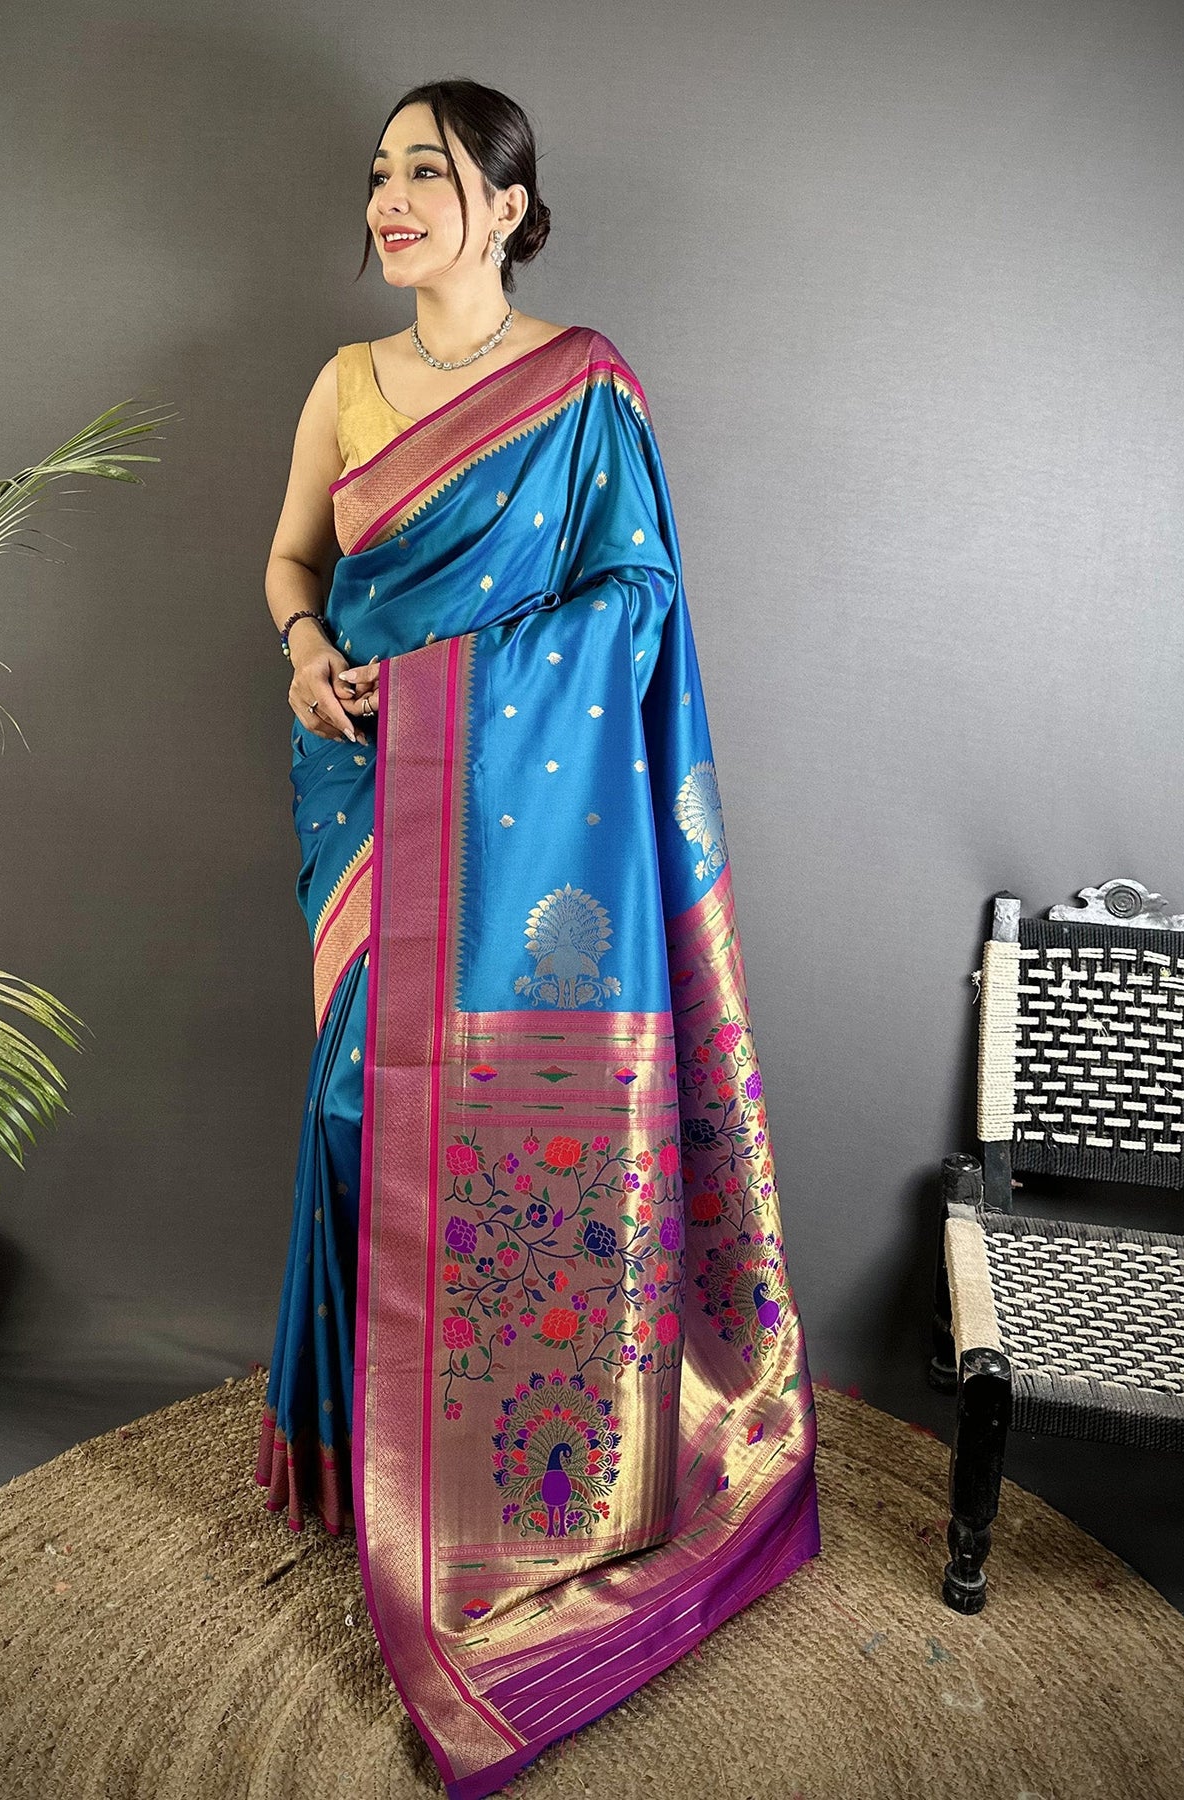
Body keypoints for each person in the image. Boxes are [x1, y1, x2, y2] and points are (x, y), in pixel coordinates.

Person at [254, 76, 820, 1800]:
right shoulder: (345, 382)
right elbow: (290, 567)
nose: (391, 197)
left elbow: (638, 598)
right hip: (365, 797)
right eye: (380, 173)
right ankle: (357, 1458)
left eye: (427, 171)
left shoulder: (584, 387)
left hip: (524, 819)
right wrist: (306, 652)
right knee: (358, 1105)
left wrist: (452, 686)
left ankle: (535, 1477)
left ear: (506, 204)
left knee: (513, 1115)